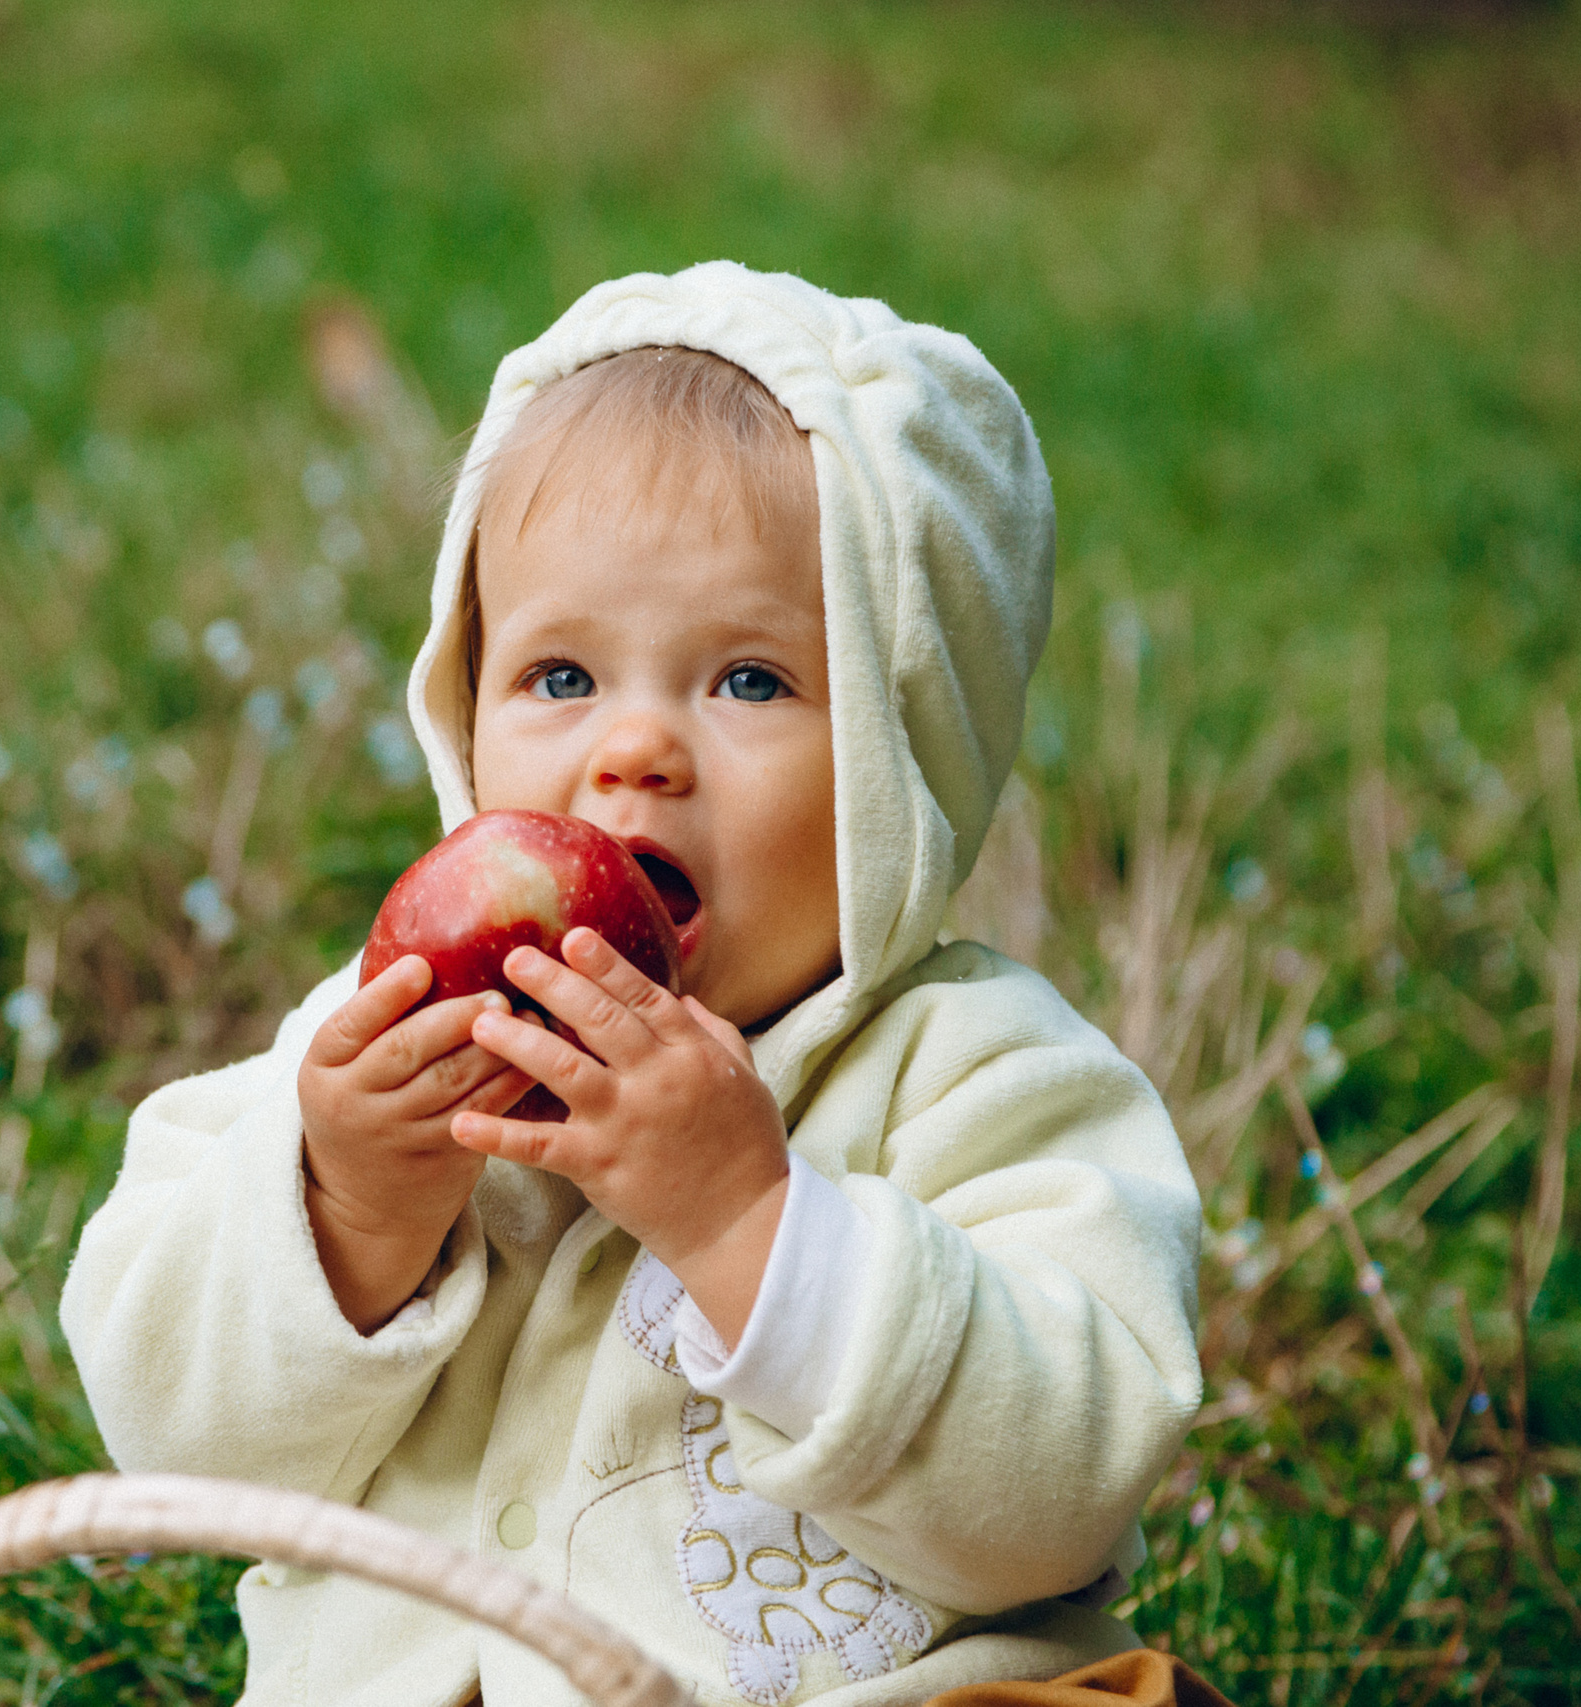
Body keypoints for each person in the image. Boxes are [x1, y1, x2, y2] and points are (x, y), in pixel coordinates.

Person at [61, 262, 1211, 1707]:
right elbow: (182, 1447)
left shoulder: (977, 1077)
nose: (634, 754)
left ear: (907, 755)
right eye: (557, 678)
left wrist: (751, 1223)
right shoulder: (372, 1053)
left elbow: (1056, 1491)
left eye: (747, 682)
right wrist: (347, 1209)